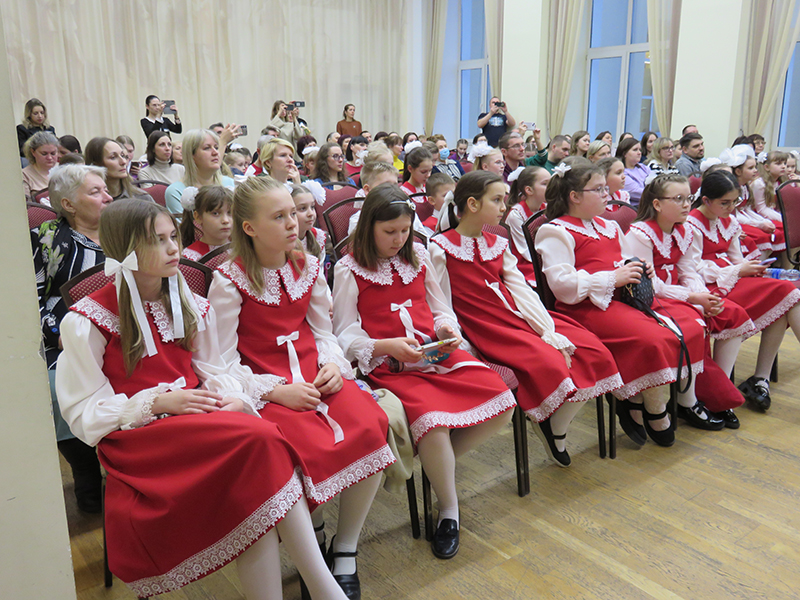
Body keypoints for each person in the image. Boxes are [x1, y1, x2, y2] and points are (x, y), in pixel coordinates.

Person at [56, 198, 351, 600]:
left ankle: (318, 590)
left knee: (256, 480)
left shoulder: (187, 302)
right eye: (158, 241)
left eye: (172, 237)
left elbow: (213, 371)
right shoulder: (87, 320)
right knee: (262, 440)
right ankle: (326, 590)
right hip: (138, 436)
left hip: (197, 417)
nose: (173, 248)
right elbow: (84, 412)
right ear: (125, 249)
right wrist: (158, 403)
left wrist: (233, 399)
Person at [209, 177, 395, 598]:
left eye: (293, 213)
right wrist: (274, 391)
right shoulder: (230, 279)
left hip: (315, 378)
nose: (293, 223)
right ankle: (312, 534)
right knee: (292, 447)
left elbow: (323, 331)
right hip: (268, 389)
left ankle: (345, 547)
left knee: (371, 424)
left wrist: (332, 364)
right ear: (249, 228)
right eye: (279, 217)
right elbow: (222, 361)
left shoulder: (308, 265)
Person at [332, 183, 517, 558]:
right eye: (389, 231)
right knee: (433, 423)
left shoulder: (418, 255)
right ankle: (449, 509)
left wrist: (447, 330)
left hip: (434, 355)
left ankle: (438, 468)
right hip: (392, 366)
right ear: (368, 227)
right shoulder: (349, 268)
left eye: (405, 230)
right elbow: (344, 332)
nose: (398, 239)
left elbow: (439, 307)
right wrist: (385, 346)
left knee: (503, 401)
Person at [431, 171, 623, 465]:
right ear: (472, 204)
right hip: (485, 324)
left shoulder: (497, 242)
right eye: (497, 200)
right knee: (552, 362)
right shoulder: (441, 247)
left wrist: (546, 328)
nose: (503, 208)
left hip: (518, 313)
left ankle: (554, 425)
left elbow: (518, 286)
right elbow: (441, 300)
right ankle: (548, 420)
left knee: (595, 352)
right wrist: (455, 336)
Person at [535, 161, 707, 448]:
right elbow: (563, 286)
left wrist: (639, 268)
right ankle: (652, 407)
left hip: (621, 298)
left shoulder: (609, 226)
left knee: (687, 325)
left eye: (606, 188)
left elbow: (624, 260)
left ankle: (637, 400)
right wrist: (613, 277)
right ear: (574, 196)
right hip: (586, 307)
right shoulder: (555, 231)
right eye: (598, 189)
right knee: (654, 339)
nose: (607, 194)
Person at [626, 174, 748, 428]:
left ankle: (718, 387)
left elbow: (688, 270)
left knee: (731, 313)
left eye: (688, 198)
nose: (686, 205)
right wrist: (693, 299)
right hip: (653, 299)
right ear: (657, 204)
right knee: (694, 322)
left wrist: (703, 297)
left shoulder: (684, 230)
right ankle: (688, 400)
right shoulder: (640, 234)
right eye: (678, 199)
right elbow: (651, 286)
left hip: (678, 293)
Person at [31, 164, 110, 513]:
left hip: (121, 335)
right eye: (95, 192)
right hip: (60, 338)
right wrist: (58, 333)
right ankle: (86, 472)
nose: (108, 197)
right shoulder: (45, 239)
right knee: (56, 386)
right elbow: (29, 299)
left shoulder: (122, 232)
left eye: (105, 189)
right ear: (69, 204)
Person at [686, 170, 800, 411]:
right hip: (710, 284)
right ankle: (750, 381)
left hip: (731, 276)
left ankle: (761, 377)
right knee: (784, 296)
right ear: (706, 200)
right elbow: (693, 269)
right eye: (725, 203)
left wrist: (750, 268)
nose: (731, 208)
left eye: (734, 201)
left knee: (788, 293)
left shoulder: (728, 220)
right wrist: (738, 269)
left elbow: (736, 256)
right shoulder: (692, 224)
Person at [724, 145, 784, 259]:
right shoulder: (733, 189)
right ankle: (756, 264)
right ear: (738, 171)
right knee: (762, 236)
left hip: (743, 218)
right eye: (751, 168)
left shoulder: (745, 187)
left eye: (755, 167)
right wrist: (758, 224)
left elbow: (747, 210)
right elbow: (734, 214)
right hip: (735, 221)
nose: (756, 171)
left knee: (775, 231)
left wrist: (762, 221)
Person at [165, 129, 235, 214]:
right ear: (191, 155)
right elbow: (184, 223)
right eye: (207, 148)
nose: (215, 152)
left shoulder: (230, 184)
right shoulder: (176, 191)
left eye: (216, 147)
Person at [505, 166, 551, 287]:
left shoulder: (547, 208)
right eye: (545, 184)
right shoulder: (516, 215)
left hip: (546, 258)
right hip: (529, 264)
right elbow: (525, 251)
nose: (551, 187)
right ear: (529, 190)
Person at [84, 137, 152, 202]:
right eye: (113, 157)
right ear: (96, 165)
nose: (123, 162)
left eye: (123, 156)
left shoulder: (142, 198)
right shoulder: (89, 202)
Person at [179, 186, 233, 260]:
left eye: (230, 212)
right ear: (198, 217)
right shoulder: (190, 258)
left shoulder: (244, 249)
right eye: (215, 213)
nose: (225, 220)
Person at [291, 183, 327, 263]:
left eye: (312, 207)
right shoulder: (284, 243)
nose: (311, 213)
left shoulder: (318, 236)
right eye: (302, 208)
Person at [21, 131, 59, 200]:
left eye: (53, 153)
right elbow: (26, 203)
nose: (49, 158)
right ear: (33, 152)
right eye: (44, 154)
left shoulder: (65, 169)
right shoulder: (25, 175)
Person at [616, 137, 651, 207]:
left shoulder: (643, 167)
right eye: (635, 150)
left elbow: (656, 182)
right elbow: (637, 192)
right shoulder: (622, 172)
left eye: (640, 150)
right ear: (625, 153)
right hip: (635, 208)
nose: (639, 153)